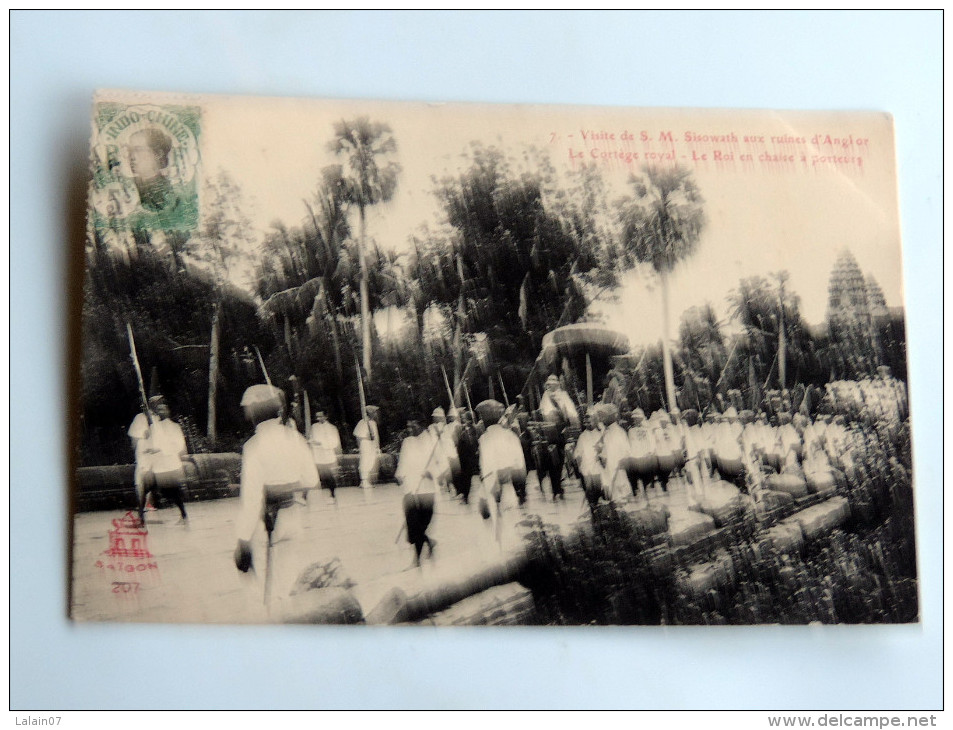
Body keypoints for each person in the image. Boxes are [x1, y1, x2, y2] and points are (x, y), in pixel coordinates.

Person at [234, 384, 319, 573]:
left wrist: (243, 539)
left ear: (254, 413)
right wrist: (288, 485)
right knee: (289, 578)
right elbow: (312, 479)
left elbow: (252, 498)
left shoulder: (253, 446)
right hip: (293, 519)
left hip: (267, 524)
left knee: (265, 586)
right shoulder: (295, 437)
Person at [133, 395, 189, 525]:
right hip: (156, 465)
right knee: (144, 487)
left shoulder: (174, 427)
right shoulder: (154, 426)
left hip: (168, 466)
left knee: (172, 492)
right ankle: (141, 518)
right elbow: (149, 441)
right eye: (159, 409)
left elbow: (178, 446)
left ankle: (184, 515)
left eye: (164, 409)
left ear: (168, 411)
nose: (161, 412)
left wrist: (159, 449)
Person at [395, 420, 444, 567]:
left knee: (422, 525)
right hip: (410, 488)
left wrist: (432, 473)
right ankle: (417, 558)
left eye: (413, 426)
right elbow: (402, 463)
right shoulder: (407, 442)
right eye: (408, 426)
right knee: (413, 525)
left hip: (427, 490)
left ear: (421, 425)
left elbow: (442, 463)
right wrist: (399, 475)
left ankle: (426, 544)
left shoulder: (432, 441)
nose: (409, 429)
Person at [127, 127, 175, 213]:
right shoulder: (128, 186)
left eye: (138, 150)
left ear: (158, 154)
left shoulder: (169, 190)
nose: (132, 157)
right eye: (129, 150)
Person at [308, 410, 342, 503]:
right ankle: (329, 493)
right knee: (321, 475)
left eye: (320, 416)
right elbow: (311, 438)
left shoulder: (332, 428)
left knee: (328, 475)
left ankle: (332, 494)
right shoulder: (314, 427)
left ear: (326, 416)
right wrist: (311, 442)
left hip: (327, 455)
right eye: (317, 417)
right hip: (317, 455)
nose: (318, 418)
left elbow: (334, 442)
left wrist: (322, 443)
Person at [353, 406, 381, 490]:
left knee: (370, 461)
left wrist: (377, 447)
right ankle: (364, 480)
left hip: (372, 444)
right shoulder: (363, 422)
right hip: (365, 443)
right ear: (370, 413)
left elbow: (375, 436)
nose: (375, 414)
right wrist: (362, 443)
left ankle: (366, 481)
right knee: (365, 461)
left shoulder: (373, 423)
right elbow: (357, 436)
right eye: (374, 412)